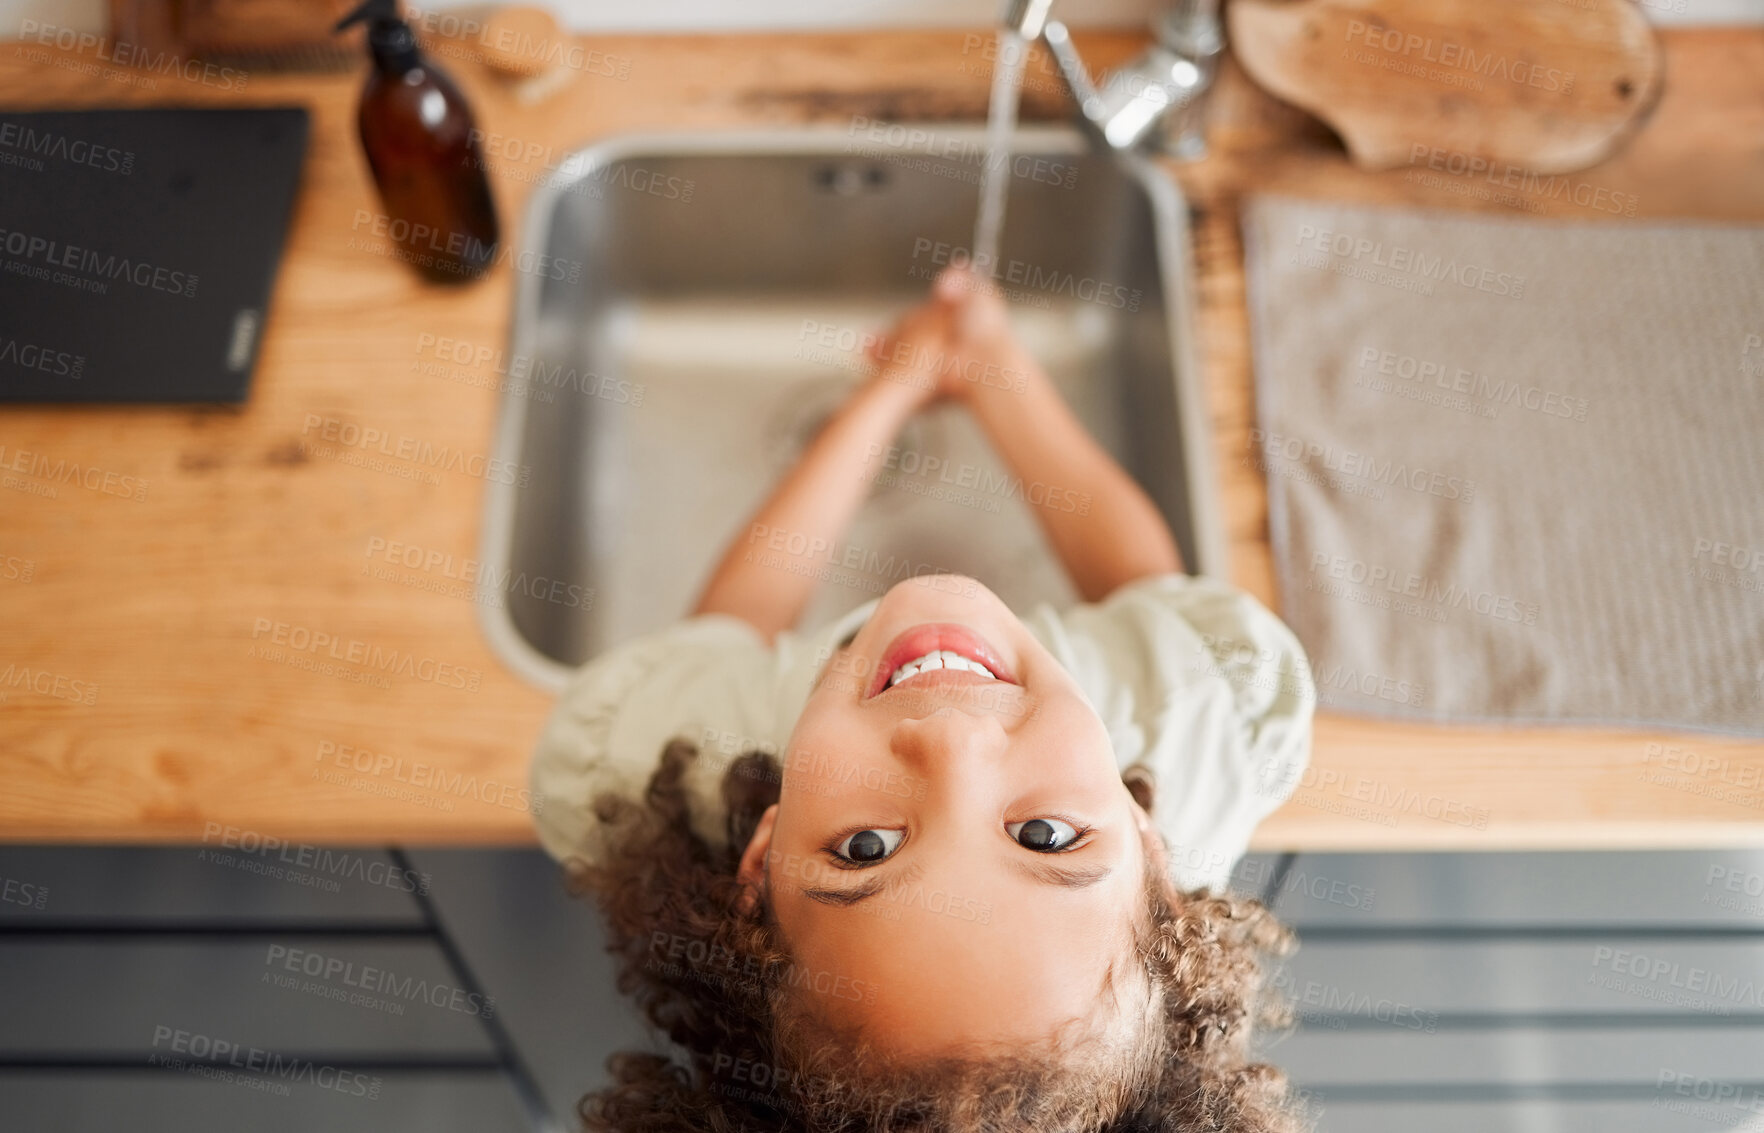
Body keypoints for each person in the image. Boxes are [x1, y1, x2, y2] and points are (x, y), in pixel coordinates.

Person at [531, 264, 1317, 1132]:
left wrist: (886, 393)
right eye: (1045, 836)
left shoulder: (672, 752)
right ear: (1151, 852)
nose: (951, 740)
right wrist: (994, 368)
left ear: (758, 868)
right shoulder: (1192, 706)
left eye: (865, 848)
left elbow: (728, 631)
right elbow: (1144, 590)